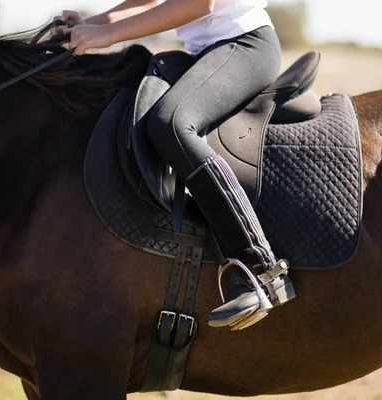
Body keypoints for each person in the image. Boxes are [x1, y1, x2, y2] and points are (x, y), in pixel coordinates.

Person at [52, 0, 294, 329]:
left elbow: (199, 3)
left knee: (172, 123)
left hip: (244, 43)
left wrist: (108, 34)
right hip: (206, 53)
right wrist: (89, 24)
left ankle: (259, 269)